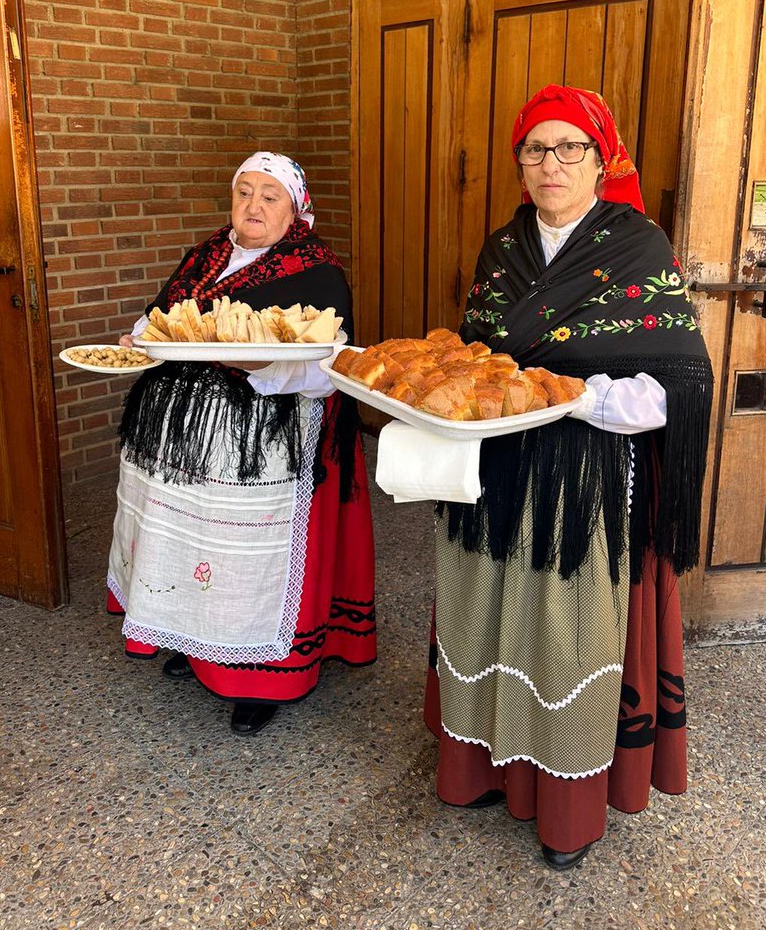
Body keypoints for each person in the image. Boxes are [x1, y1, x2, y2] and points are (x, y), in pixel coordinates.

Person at [423, 84, 713, 868]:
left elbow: (671, 389)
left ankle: (566, 809)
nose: (551, 164)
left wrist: (577, 395)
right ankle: (480, 768)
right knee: (485, 610)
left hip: (584, 477)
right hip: (496, 471)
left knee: (563, 632)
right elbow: (476, 356)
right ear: (519, 163)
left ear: (601, 159)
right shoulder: (501, 249)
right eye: (534, 149)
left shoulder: (638, 247)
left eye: (569, 148)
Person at [106, 151, 376, 736]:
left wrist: (246, 359)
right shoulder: (205, 255)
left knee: (247, 557)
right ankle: (195, 638)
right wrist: (144, 334)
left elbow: (328, 367)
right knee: (190, 545)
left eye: (269, 196)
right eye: (244, 192)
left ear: (295, 210)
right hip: (186, 441)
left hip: (263, 443)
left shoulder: (317, 270)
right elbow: (166, 315)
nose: (253, 206)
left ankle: (262, 676)